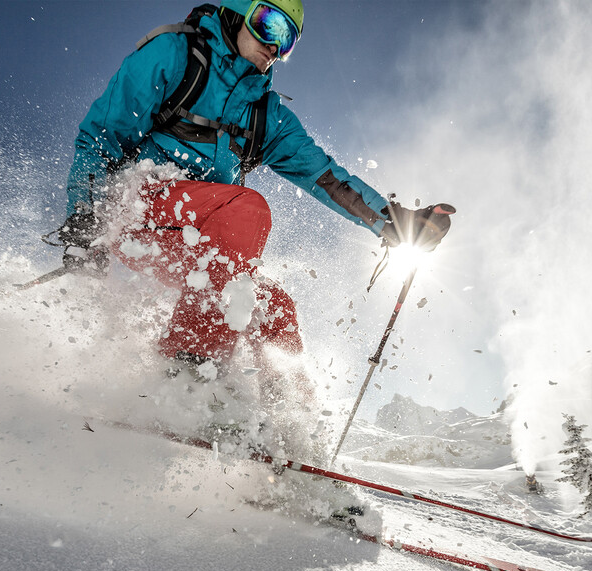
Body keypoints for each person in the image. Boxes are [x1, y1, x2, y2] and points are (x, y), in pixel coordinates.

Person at [58, 0, 453, 402]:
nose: (274, 47)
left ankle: (285, 421)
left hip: (199, 236)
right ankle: (185, 372)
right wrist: (85, 218)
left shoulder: (266, 114)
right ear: (238, 11)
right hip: (139, 206)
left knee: (275, 307)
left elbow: (326, 177)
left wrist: (394, 222)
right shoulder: (175, 54)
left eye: (288, 42)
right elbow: (101, 137)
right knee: (247, 209)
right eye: (269, 25)